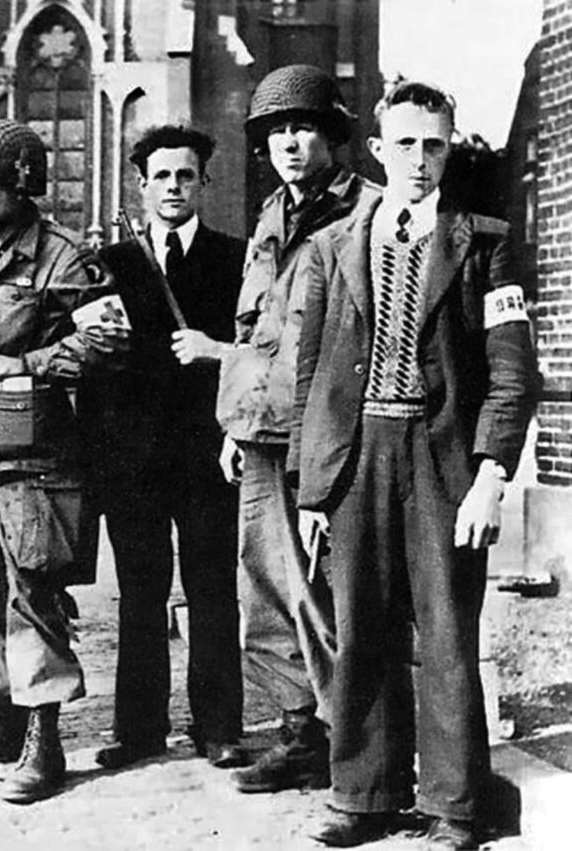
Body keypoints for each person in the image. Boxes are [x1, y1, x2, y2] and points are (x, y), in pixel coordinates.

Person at [293, 81, 538, 849]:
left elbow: (511, 369)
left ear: (450, 147)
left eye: (434, 144)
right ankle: (364, 794)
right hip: (358, 455)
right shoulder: (334, 244)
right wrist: (312, 486)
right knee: (360, 626)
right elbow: (312, 375)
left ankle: (453, 803)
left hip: (444, 461)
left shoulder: (485, 241)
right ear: (377, 149)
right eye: (405, 143)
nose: (420, 159)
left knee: (446, 630)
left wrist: (491, 474)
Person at [0, 119, 128, 803]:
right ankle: (7, 717)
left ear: (22, 182)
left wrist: (31, 363)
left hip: (35, 457)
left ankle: (45, 740)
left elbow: (111, 339)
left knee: (33, 591)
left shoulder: (65, 258)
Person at [209, 64, 376, 794]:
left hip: (331, 434)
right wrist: (236, 421)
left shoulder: (366, 213)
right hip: (261, 433)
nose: (289, 143)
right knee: (267, 592)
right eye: (277, 131)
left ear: (333, 136)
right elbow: (254, 331)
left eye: (303, 128)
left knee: (328, 592)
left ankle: (357, 744)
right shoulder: (271, 215)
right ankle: (299, 732)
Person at [85, 125, 246, 771]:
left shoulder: (235, 258)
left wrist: (216, 351)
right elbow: (92, 362)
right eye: (161, 176)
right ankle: (139, 729)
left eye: (185, 175)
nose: (173, 187)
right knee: (140, 593)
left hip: (207, 455)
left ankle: (219, 727)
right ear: (141, 185)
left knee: (213, 590)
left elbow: (255, 350)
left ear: (203, 182)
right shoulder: (112, 264)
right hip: (134, 459)